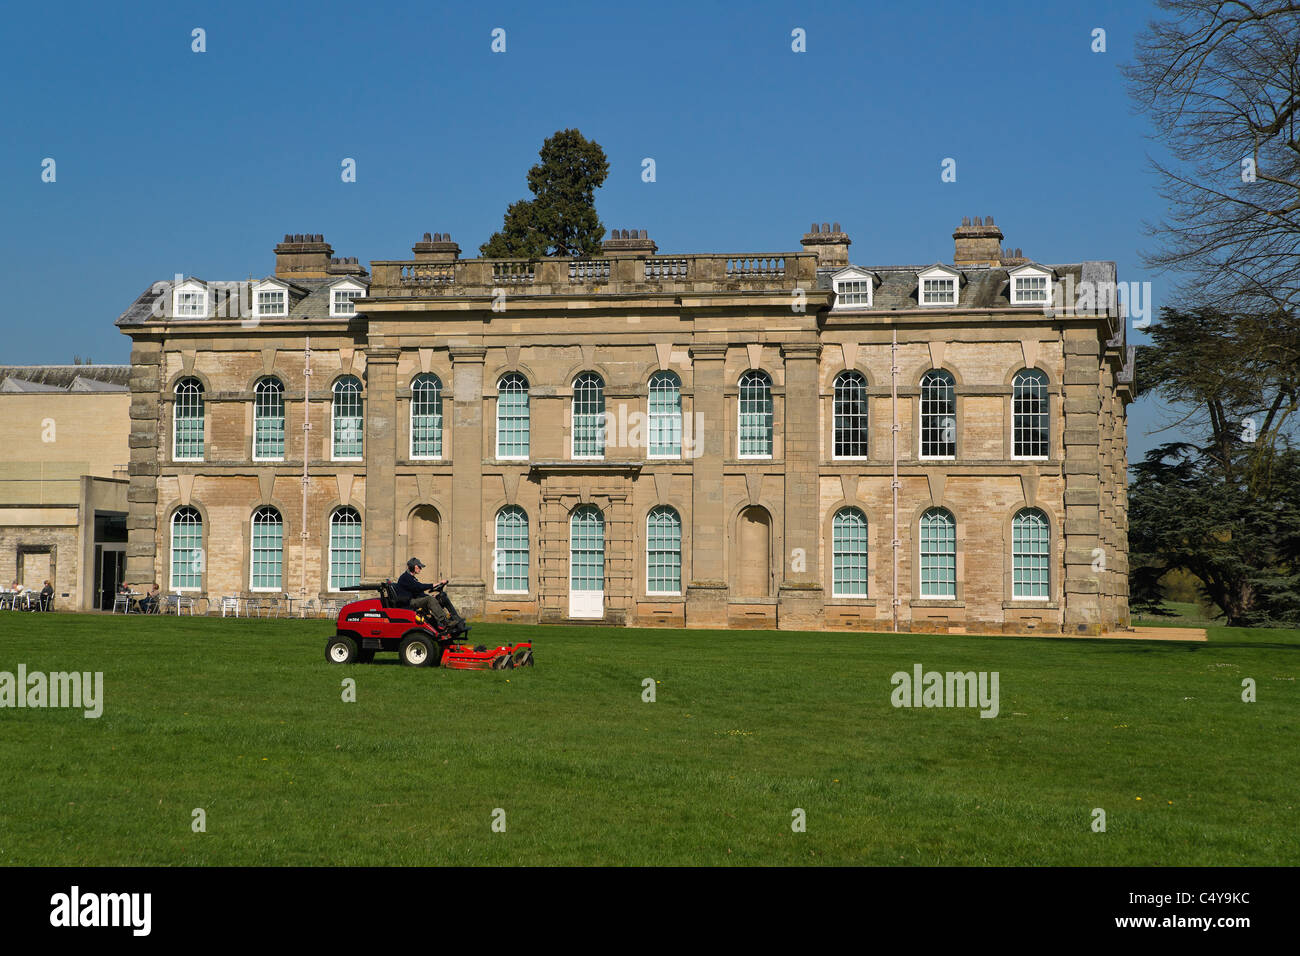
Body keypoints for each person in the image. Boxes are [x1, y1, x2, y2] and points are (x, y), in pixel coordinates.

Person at [395, 558, 448, 627]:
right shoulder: (406, 577)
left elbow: (418, 592)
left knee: (431, 598)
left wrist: (429, 595)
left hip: (411, 600)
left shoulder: (411, 578)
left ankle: (436, 624)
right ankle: (444, 621)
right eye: (419, 567)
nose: (421, 569)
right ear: (415, 567)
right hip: (408, 602)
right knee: (430, 600)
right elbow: (419, 587)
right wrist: (436, 584)